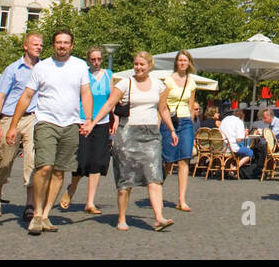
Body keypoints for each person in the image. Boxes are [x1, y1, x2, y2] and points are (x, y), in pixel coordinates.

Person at [7, 29, 92, 236]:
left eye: (66, 43)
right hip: (46, 121)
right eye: (58, 42)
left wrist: (88, 119)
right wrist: (13, 125)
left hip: (71, 123)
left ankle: (46, 214)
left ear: (72, 45)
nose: (62, 46)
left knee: (59, 171)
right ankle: (36, 213)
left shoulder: (80, 65)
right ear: (53, 45)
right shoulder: (42, 67)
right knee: (44, 167)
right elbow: (27, 96)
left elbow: (85, 92)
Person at [85, 51, 176, 230]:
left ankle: (159, 218)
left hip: (151, 135)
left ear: (150, 66)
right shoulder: (125, 83)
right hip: (127, 135)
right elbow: (109, 105)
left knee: (154, 176)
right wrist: (93, 123)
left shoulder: (159, 86)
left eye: (142, 64)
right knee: (126, 179)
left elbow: (163, 109)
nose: (139, 67)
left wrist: (172, 129)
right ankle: (121, 218)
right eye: (136, 64)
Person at [0, 31, 41, 221]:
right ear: (26, 46)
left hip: (33, 118)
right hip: (10, 118)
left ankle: (30, 204)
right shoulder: (13, 69)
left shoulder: (43, 68)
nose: (39, 47)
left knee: (32, 161)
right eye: (35, 44)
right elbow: (0, 96)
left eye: (41, 45)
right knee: (5, 160)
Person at [61, 47, 115, 215]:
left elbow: (111, 100)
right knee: (81, 161)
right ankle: (73, 187)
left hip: (102, 122)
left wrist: (114, 119)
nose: (96, 62)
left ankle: (90, 202)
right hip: (84, 120)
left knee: (97, 162)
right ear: (88, 60)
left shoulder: (108, 75)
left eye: (99, 59)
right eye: (93, 59)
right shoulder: (83, 74)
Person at [162, 50, 198, 212]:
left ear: (189, 63)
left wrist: (190, 121)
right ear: (176, 62)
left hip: (185, 122)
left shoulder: (191, 83)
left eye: (185, 60)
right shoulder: (168, 81)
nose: (182, 63)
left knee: (184, 159)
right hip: (169, 121)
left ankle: (181, 200)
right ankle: (157, 188)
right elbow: (161, 105)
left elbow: (191, 105)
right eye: (180, 60)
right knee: (168, 160)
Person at [218, 106, 253, 175]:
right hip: (231, 147)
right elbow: (239, 139)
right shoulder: (239, 122)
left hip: (221, 146)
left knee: (240, 147)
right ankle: (235, 168)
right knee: (250, 152)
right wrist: (244, 134)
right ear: (242, 117)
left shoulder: (225, 119)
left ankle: (229, 169)